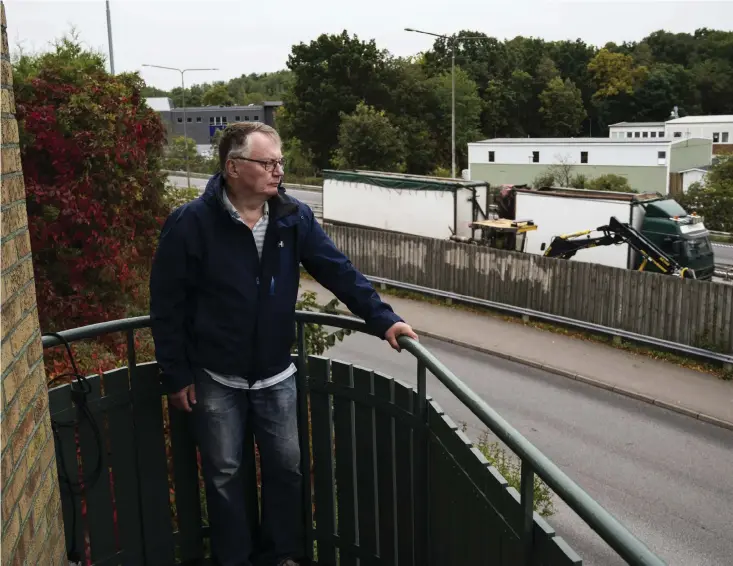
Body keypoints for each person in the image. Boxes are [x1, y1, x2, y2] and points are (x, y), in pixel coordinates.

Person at [149, 121, 417, 566]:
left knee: (287, 470)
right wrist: (176, 375)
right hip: (216, 377)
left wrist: (384, 318)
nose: (277, 171)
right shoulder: (191, 224)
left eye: (280, 162)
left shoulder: (292, 218)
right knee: (224, 475)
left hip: (276, 374)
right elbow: (167, 305)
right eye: (267, 162)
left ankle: (281, 556)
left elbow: (337, 270)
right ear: (233, 167)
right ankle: (234, 558)